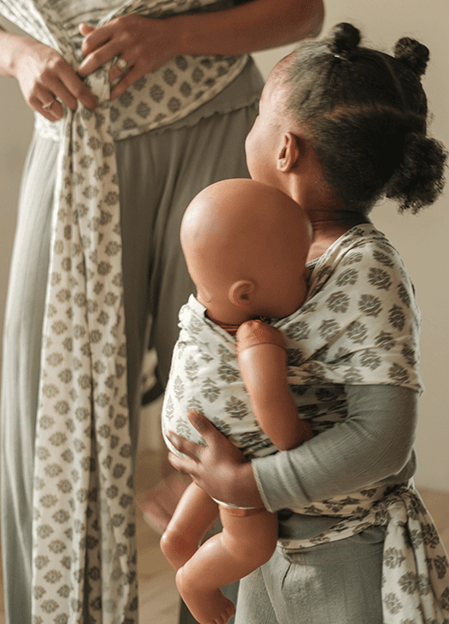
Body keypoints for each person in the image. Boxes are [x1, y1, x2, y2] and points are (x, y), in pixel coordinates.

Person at [0, 0, 324, 622]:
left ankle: (222, 610)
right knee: (52, 409)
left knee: (235, 397)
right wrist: (18, 58)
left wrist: (173, 32)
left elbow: (304, 3)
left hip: (213, 136)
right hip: (74, 149)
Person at [167, 23, 449, 624]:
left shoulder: (363, 265)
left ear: (286, 149)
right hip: (268, 542)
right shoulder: (268, 250)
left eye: (257, 115)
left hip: (341, 551)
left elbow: (383, 438)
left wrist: (249, 485)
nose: (247, 129)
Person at [160, 178, 313, 624]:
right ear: (245, 294)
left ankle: (180, 537)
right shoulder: (256, 337)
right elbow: (275, 417)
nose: (307, 277)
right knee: (252, 543)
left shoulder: (197, 311)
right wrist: (300, 435)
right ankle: (194, 582)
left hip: (192, 435)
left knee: (212, 483)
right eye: (299, 270)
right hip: (232, 446)